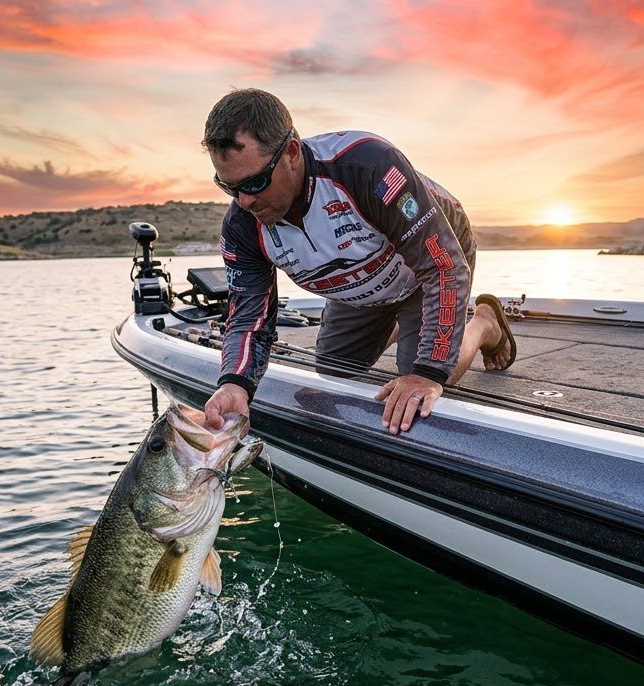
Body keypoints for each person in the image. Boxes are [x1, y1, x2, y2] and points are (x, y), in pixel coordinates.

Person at [201, 88, 516, 435]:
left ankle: (484, 323)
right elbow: (249, 315)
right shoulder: (241, 226)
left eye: (256, 182)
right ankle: (403, 323)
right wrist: (234, 384)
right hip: (361, 283)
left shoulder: (366, 165)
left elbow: (443, 266)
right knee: (332, 370)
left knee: (420, 378)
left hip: (426, 267)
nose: (245, 201)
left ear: (291, 152)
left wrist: (427, 372)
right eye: (230, 188)